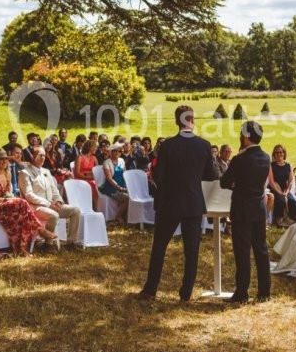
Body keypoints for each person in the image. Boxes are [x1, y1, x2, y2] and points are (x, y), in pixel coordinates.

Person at [138, 105, 217, 302]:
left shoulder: (167, 145)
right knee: (192, 251)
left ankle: (150, 289)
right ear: (193, 119)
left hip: (170, 201)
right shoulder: (204, 145)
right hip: (193, 202)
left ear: (176, 121)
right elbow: (212, 174)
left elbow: (158, 175)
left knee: (159, 247)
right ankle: (186, 292)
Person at [220, 121, 272, 303]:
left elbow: (224, 181)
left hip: (241, 208)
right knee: (261, 249)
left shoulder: (239, 159)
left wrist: (236, 184)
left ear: (247, 136)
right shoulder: (266, 158)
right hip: (258, 207)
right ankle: (265, 292)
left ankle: (242, 292)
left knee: (242, 251)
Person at [0, 149, 55, 257]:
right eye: (1, 160)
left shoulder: (7, 173)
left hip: (7, 205)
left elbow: (8, 193)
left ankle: (22, 248)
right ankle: (39, 229)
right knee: (22, 202)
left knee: (21, 216)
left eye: (5, 160)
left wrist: (10, 198)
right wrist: (9, 199)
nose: (4, 162)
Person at [21, 146, 82, 247]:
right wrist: (49, 204)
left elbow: (54, 190)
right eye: (40, 155)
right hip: (35, 207)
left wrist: (58, 201)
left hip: (51, 204)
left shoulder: (46, 171)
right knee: (53, 215)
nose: (43, 158)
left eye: (44, 156)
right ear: (33, 156)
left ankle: (71, 242)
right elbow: (29, 195)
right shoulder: (25, 173)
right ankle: (47, 244)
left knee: (75, 210)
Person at [268, 144, 296, 226]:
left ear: (284, 153)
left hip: (285, 188)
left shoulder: (288, 165)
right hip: (274, 188)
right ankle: (279, 219)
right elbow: (271, 181)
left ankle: (293, 218)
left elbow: (291, 180)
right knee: (280, 200)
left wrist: (287, 191)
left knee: (291, 200)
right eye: (277, 153)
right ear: (274, 154)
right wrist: (279, 192)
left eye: (281, 152)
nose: (279, 154)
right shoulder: (271, 166)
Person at [99, 143, 129, 223]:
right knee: (127, 198)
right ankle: (118, 216)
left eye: (118, 151)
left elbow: (125, 174)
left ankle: (125, 216)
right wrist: (119, 188)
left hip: (122, 185)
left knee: (132, 195)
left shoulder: (122, 160)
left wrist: (126, 187)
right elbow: (109, 178)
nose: (116, 153)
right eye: (114, 151)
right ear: (110, 152)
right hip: (111, 187)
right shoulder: (106, 162)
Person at [74, 140, 99, 209]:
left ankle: (95, 209)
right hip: (80, 179)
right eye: (95, 147)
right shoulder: (80, 157)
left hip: (91, 179)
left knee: (95, 185)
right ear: (90, 147)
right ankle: (93, 208)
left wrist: (90, 175)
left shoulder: (94, 158)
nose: (96, 149)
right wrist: (88, 176)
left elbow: (97, 171)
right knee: (92, 185)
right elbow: (77, 173)